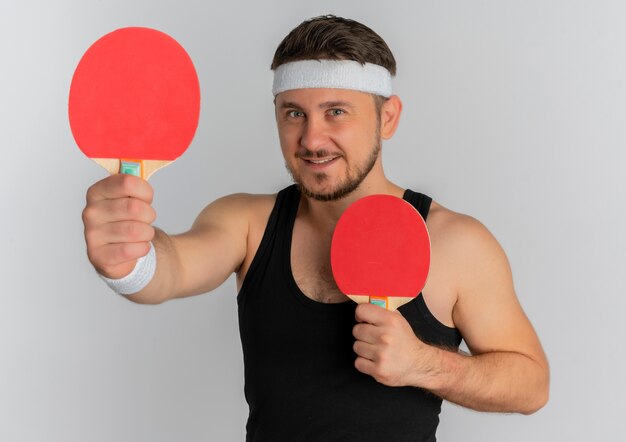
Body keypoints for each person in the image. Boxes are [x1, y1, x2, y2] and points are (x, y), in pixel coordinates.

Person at [82, 15, 549, 441]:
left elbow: (530, 384)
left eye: (336, 111)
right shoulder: (246, 222)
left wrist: (422, 364)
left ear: (387, 118)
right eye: (293, 113)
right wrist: (130, 260)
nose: (311, 138)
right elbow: (172, 268)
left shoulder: (454, 242)